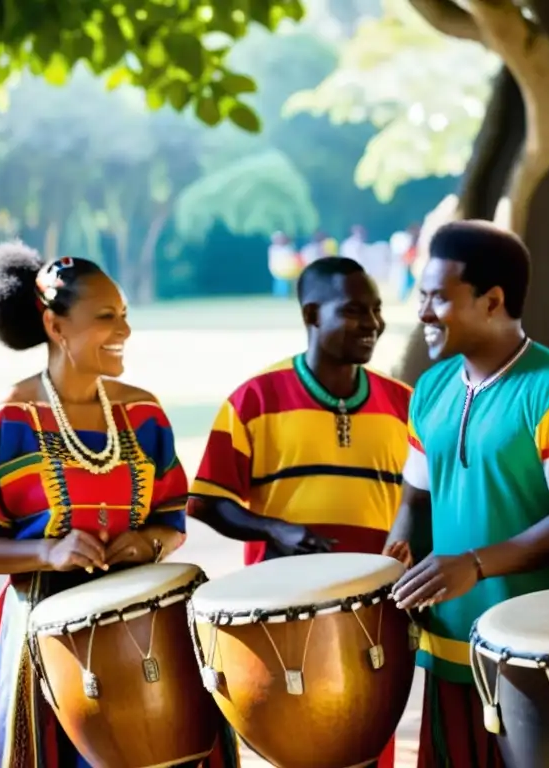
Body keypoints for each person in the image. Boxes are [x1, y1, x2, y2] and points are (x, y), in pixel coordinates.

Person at [0, 242, 239, 768]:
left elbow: (171, 514)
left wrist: (149, 541)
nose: (124, 331)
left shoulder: (144, 414)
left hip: (146, 621)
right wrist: (46, 554)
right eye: (106, 317)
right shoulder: (0, 424)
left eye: (125, 315)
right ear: (56, 326)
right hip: (43, 633)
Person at [384, 221, 549, 768]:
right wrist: (398, 541)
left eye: (439, 298)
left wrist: (476, 564)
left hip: (537, 652)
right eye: (421, 296)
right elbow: (417, 497)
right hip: (446, 647)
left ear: (492, 301)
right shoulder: (432, 389)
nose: (423, 313)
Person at [187, 256, 410, 768]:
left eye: (376, 310)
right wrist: (273, 528)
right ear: (312, 314)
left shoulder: (404, 403)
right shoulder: (254, 398)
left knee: (370, 744)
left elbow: (424, 501)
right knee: (293, 744)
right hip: (280, 610)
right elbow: (207, 500)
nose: (372, 324)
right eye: (355, 311)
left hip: (375, 610)